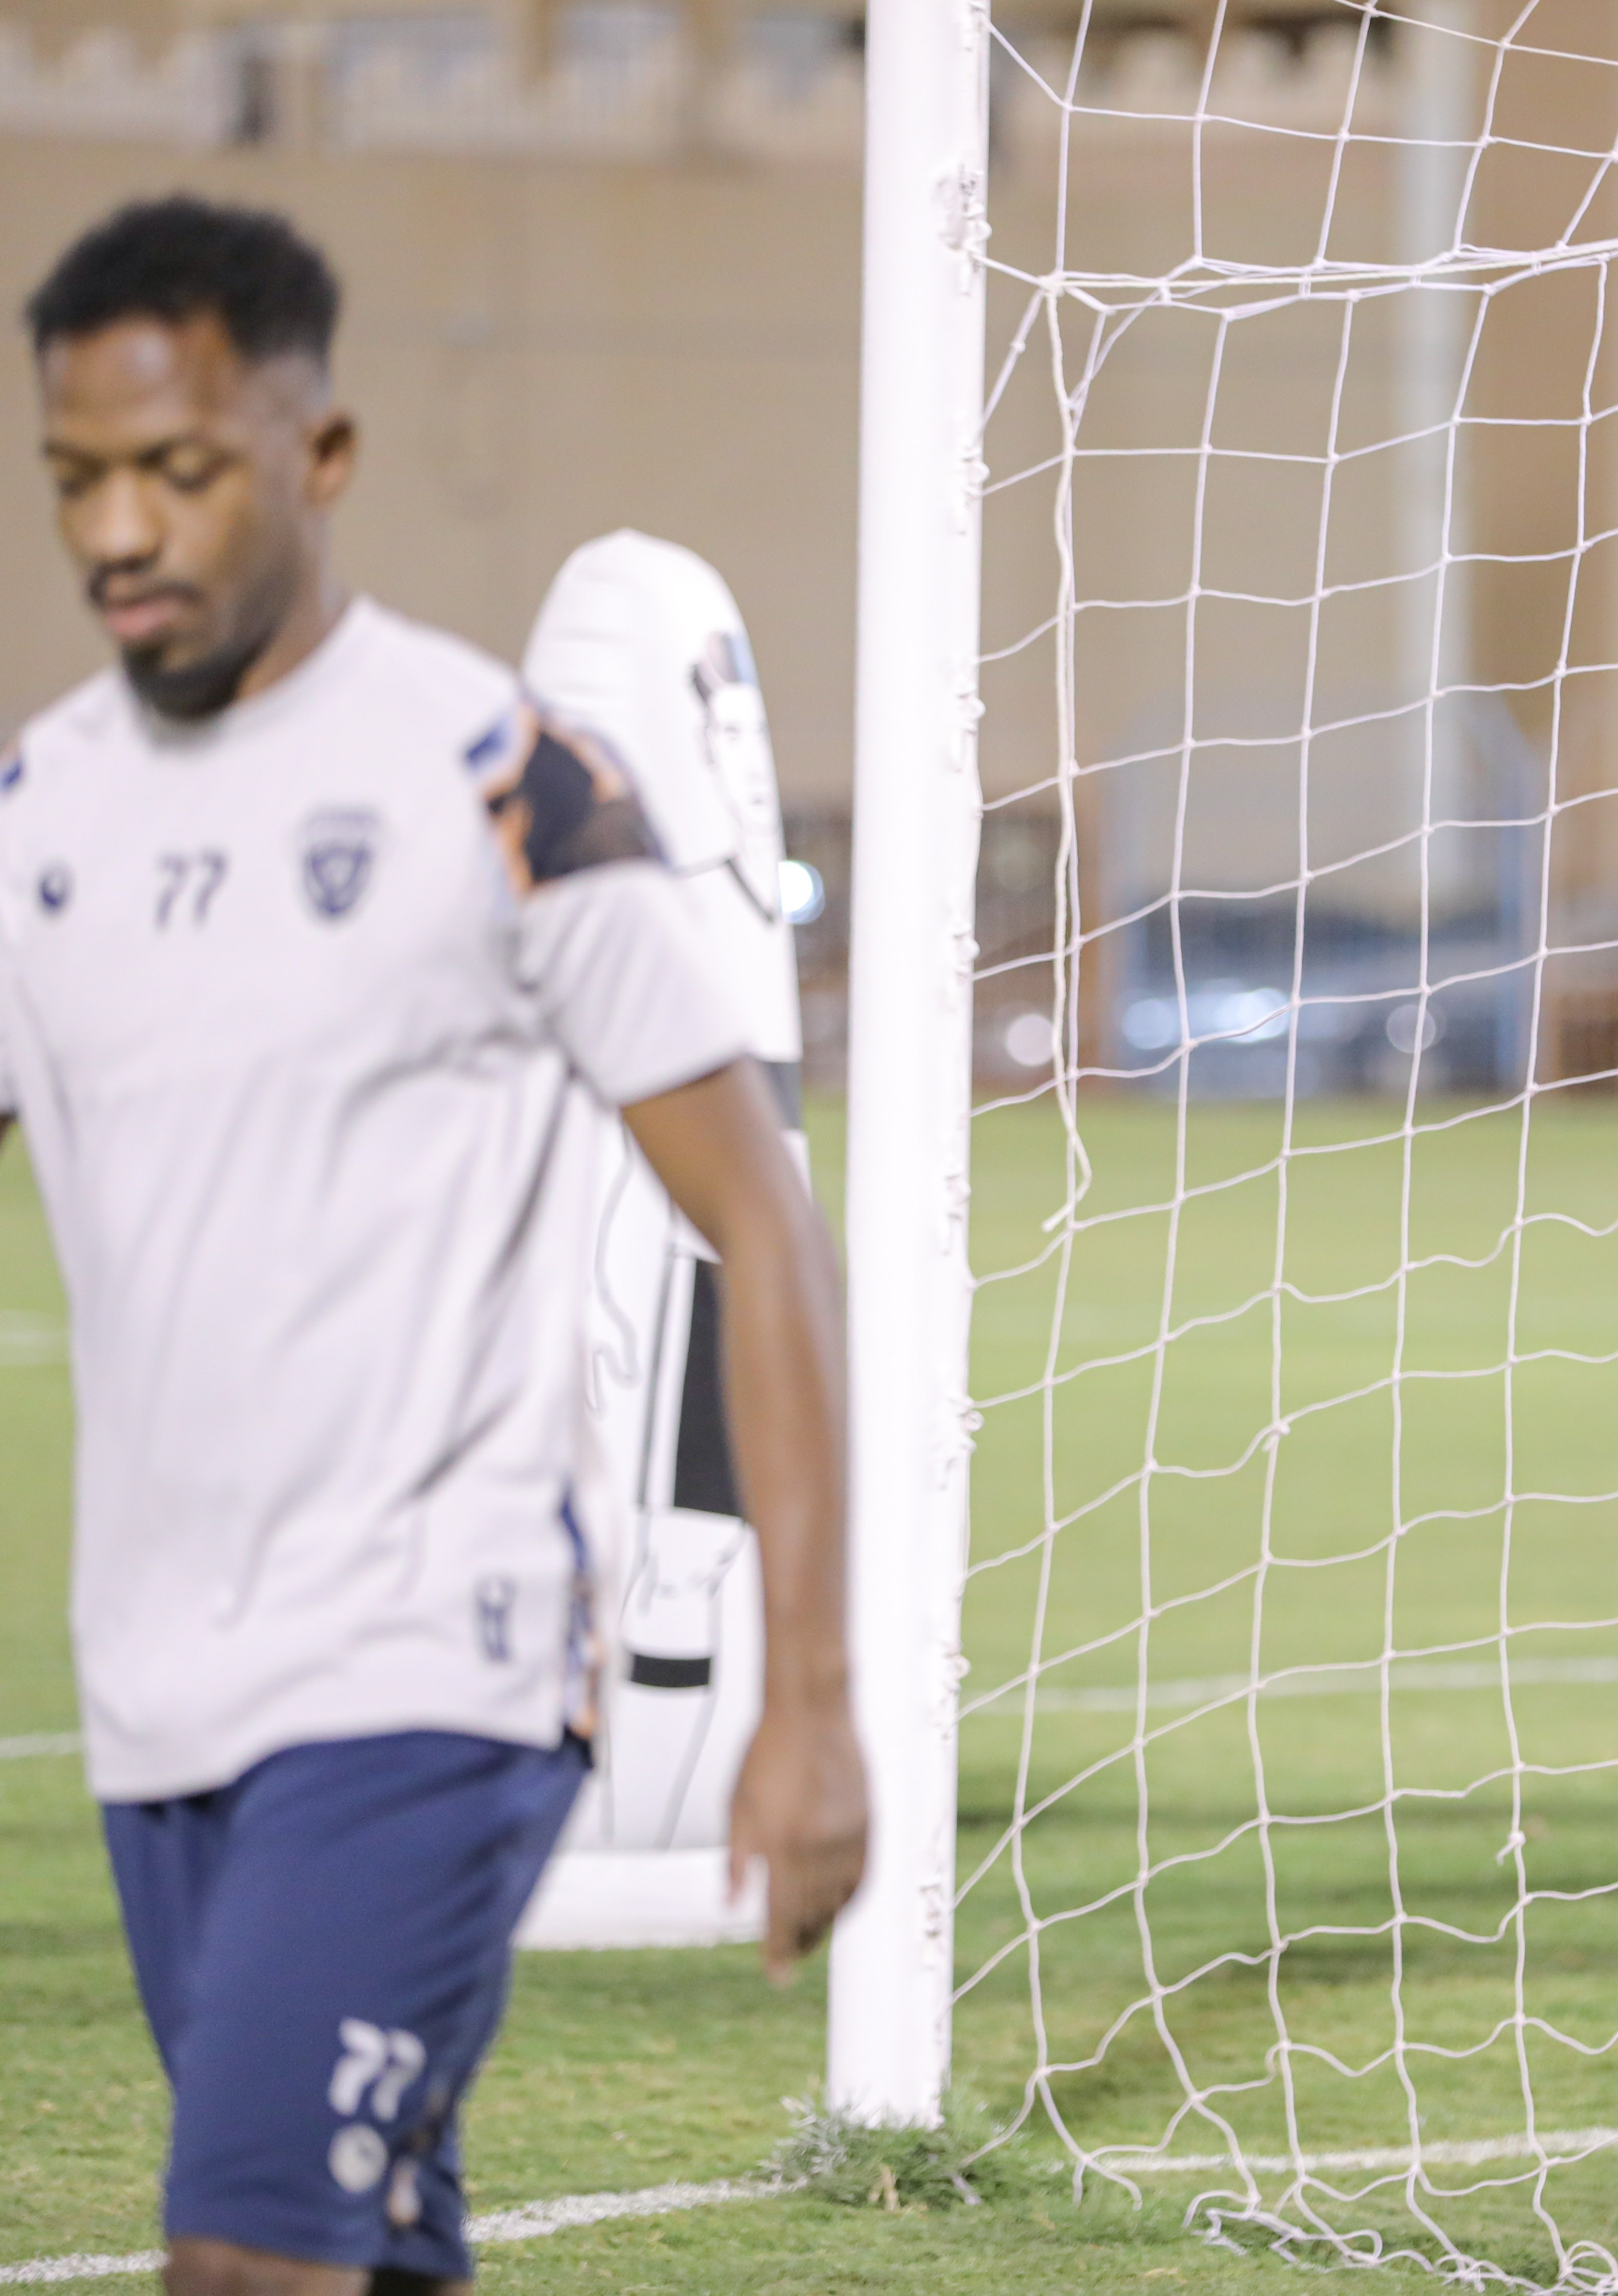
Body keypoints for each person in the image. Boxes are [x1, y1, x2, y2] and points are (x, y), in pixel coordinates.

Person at [9, 195, 868, 2295]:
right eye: (76, 478)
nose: (124, 528)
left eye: (181, 470)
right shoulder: (39, 821)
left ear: (319, 459)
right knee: (374, 2242)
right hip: (156, 1693)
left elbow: (761, 1228)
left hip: (432, 1671)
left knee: (243, 2249)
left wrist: (813, 1697)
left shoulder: (505, 787)